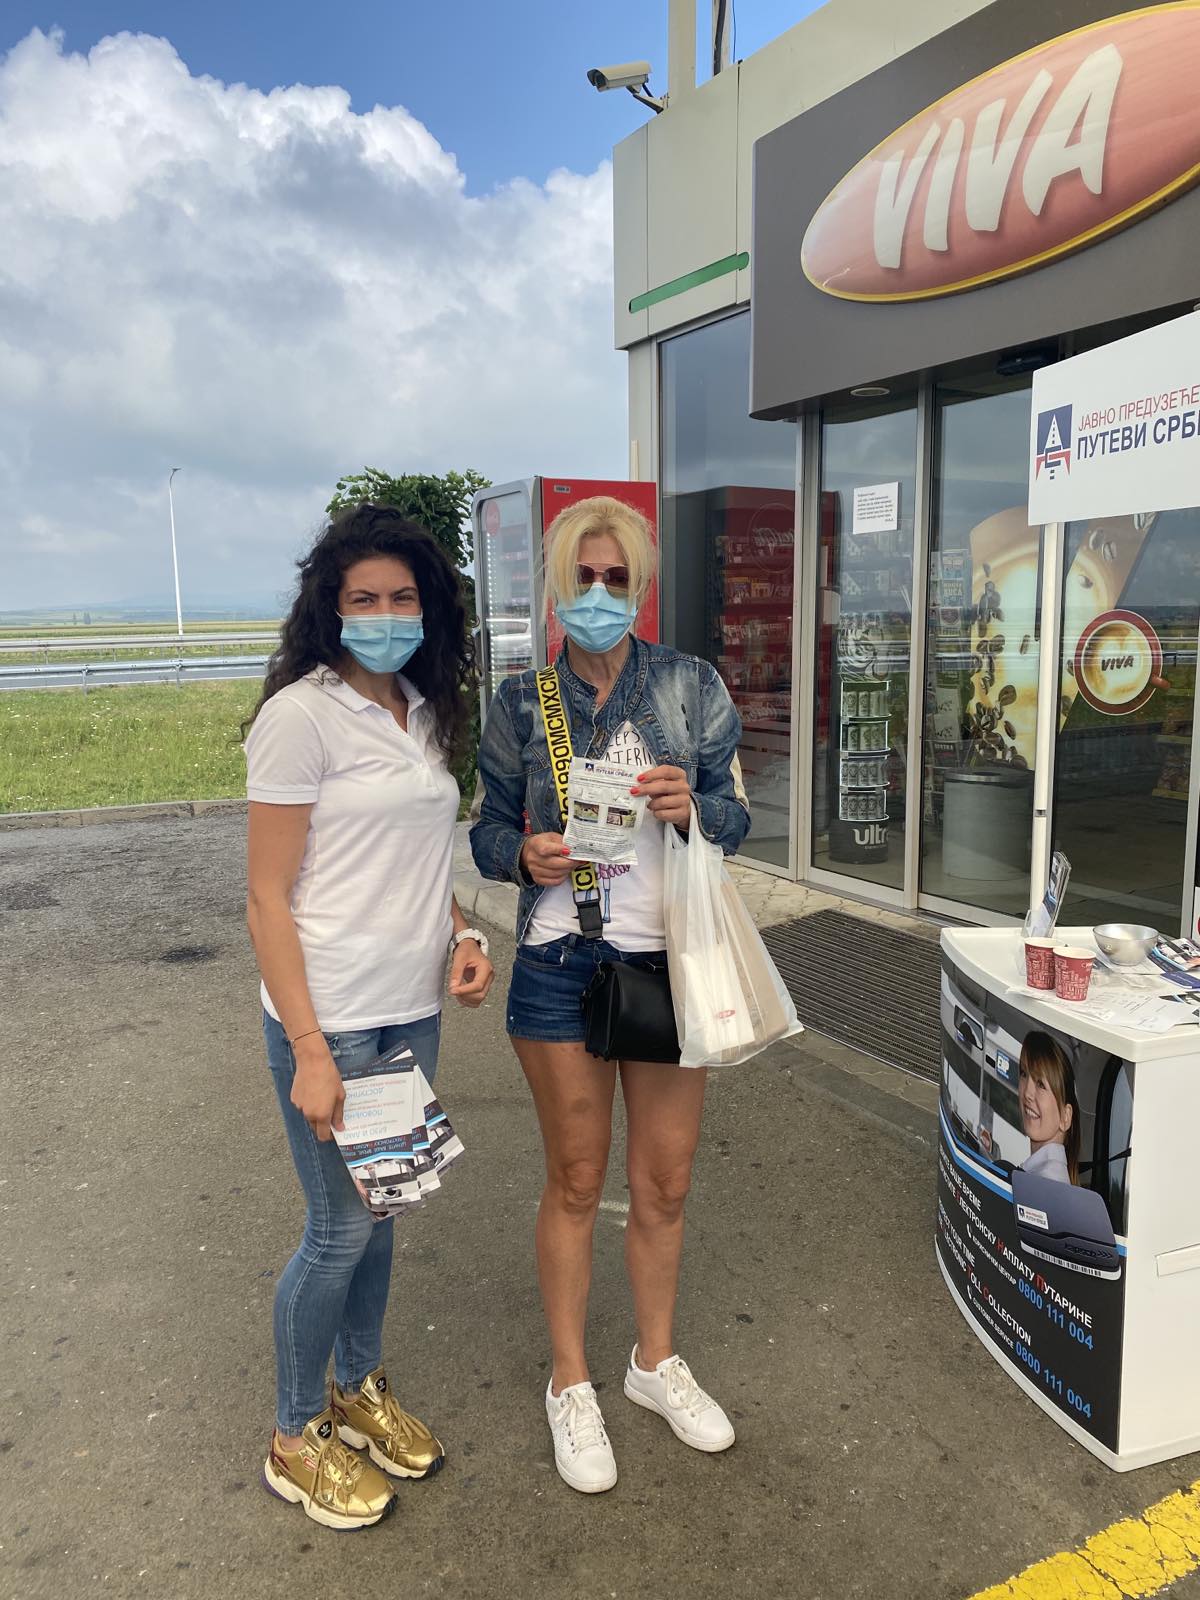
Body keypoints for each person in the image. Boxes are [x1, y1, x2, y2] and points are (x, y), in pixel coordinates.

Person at [470, 495, 750, 1494]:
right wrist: (524, 856)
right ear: (558, 586)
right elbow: (486, 829)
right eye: (582, 577)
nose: (599, 593)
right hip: (560, 962)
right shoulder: (522, 703)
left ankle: (653, 1362)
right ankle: (571, 1380)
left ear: (641, 586)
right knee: (578, 1181)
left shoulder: (688, 685)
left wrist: (693, 807)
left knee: (665, 1182)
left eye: (616, 577)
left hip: (669, 964)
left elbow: (736, 816)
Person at [244, 502, 494, 1530]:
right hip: (330, 1016)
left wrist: (462, 933)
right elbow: (267, 899)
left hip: (408, 1008)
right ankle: (294, 1434)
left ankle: (358, 1389)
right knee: (337, 1229)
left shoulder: (422, 709)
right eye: (364, 598)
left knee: (383, 1208)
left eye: (402, 597)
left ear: (428, 608)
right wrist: (309, 1048)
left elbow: (415, 863)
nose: (385, 615)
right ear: (331, 607)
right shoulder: (301, 717)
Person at [980, 1030, 1080, 1185]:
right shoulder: (1037, 1178)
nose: (1027, 1092)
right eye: (1024, 1074)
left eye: (1041, 1084)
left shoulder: (1042, 1185)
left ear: (1065, 1117)